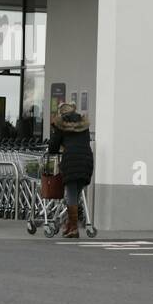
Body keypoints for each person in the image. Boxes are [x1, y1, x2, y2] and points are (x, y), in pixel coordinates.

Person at [47, 102, 93, 238]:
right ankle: (69, 224)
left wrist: (57, 136)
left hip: (71, 162)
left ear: (62, 114)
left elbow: (52, 148)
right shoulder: (83, 126)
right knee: (75, 195)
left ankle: (73, 228)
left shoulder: (61, 126)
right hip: (86, 161)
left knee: (71, 195)